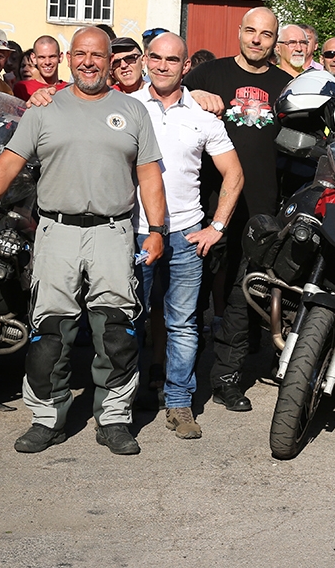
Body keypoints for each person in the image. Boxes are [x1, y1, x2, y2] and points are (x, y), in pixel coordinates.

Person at [0, 27, 167, 456]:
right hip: (56, 232)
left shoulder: (133, 111)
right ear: (69, 58)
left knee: (117, 331)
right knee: (49, 332)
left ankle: (114, 419)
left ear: (110, 61)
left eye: (97, 55)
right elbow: (8, 163)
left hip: (112, 233)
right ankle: (47, 418)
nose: (89, 62)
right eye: (81, 54)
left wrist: (157, 230)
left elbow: (149, 175)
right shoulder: (44, 109)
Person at [133, 33, 244, 439]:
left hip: (186, 234)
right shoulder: (127, 107)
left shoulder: (203, 116)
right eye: (156, 58)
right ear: (146, 61)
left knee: (182, 324)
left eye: (172, 60)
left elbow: (234, 173)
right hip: (135, 232)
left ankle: (179, 403)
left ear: (186, 66)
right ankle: (125, 400)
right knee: (130, 320)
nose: (162, 66)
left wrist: (217, 226)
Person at [183, 6, 293, 412]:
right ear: (239, 32)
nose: (257, 40)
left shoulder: (286, 86)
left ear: (275, 40)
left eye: (266, 34)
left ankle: (227, 380)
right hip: (204, 206)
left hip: (260, 210)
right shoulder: (207, 75)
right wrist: (192, 95)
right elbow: (167, 102)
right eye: (251, 31)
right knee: (192, 297)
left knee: (241, 298)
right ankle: (178, 378)